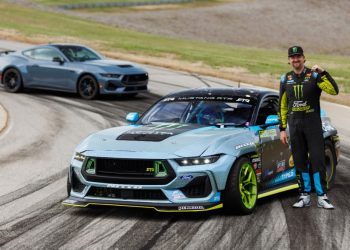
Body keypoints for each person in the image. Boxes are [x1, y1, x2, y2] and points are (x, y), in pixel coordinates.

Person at [278, 46, 339, 209]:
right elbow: (283, 106)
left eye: (298, 57)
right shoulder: (285, 79)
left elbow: (334, 91)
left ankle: (321, 196)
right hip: (295, 126)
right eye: (292, 57)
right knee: (299, 161)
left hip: (312, 125)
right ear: (289, 60)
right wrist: (282, 128)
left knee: (318, 160)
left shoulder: (314, 76)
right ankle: (304, 195)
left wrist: (323, 72)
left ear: (304, 58)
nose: (295, 59)